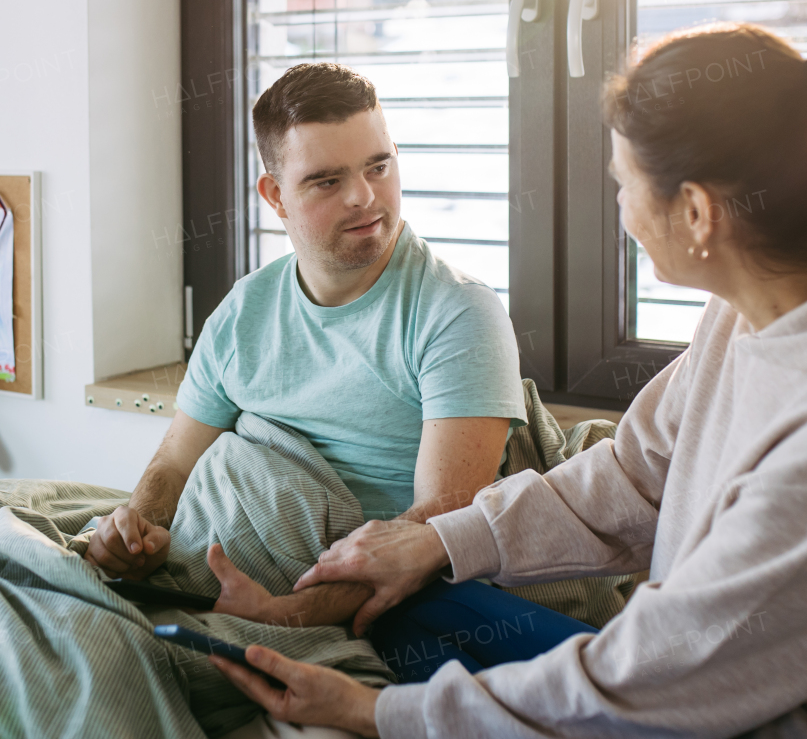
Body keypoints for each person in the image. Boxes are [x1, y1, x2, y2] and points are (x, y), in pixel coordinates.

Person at [208, 23, 807, 738]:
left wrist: (371, 713)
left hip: (781, 717)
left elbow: (656, 678)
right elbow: (634, 474)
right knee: (415, 604)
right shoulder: (752, 312)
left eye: (626, 184)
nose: (620, 206)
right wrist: (436, 542)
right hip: (710, 681)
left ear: (696, 212)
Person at [84, 62, 528, 628]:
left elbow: (438, 529)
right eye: (327, 180)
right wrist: (134, 531)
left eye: (379, 166)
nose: (365, 197)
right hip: (204, 574)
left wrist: (286, 615)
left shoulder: (457, 313)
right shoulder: (245, 310)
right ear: (275, 196)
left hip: (357, 603)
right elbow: (174, 463)